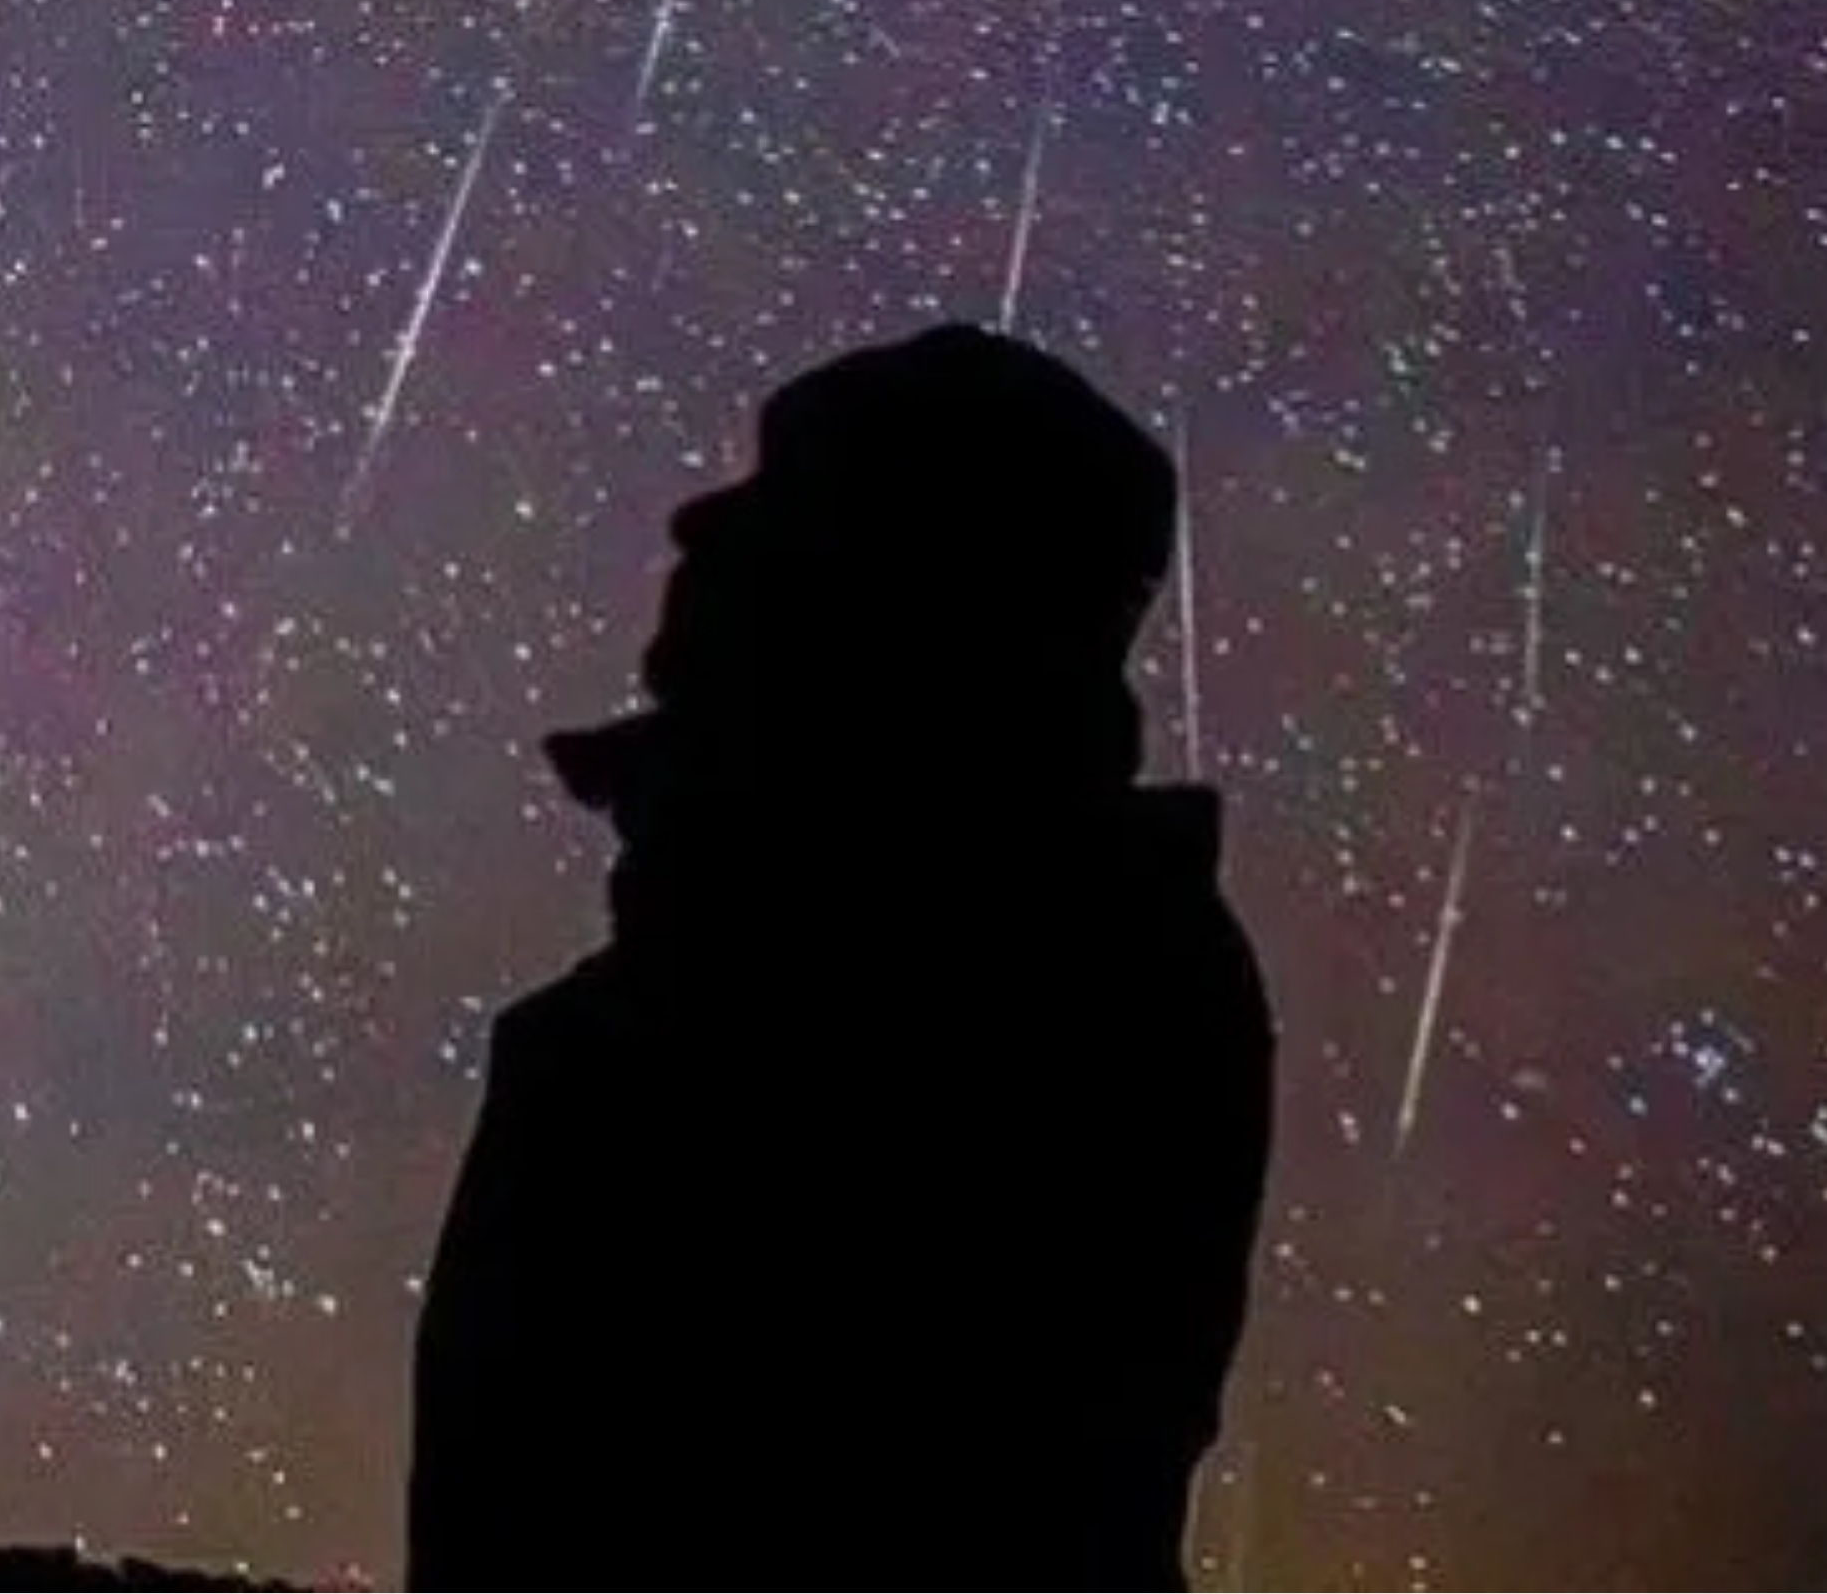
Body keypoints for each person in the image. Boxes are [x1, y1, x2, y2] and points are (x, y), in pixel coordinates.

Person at [408, 324, 1274, 1590]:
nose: (701, 524)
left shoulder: (1024, 995)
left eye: (788, 496)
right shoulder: (1081, 958)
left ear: (923, 581)